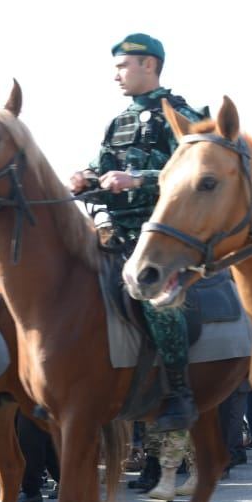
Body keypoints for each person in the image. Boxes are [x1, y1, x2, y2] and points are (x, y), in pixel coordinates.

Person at [69, 33, 207, 434]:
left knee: (156, 301)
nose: (116, 76)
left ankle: (180, 391)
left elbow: (194, 172)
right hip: (116, 233)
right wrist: (85, 178)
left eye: (122, 66)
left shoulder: (182, 115)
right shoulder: (119, 121)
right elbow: (102, 165)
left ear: (149, 64)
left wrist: (137, 180)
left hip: (164, 237)